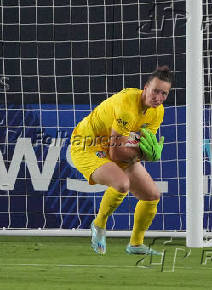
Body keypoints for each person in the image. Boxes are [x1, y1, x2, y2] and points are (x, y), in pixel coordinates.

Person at [70, 66, 171, 255]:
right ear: (145, 88)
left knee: (152, 196)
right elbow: (116, 154)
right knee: (122, 184)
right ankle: (99, 225)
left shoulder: (157, 112)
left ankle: (135, 244)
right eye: (155, 91)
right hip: (87, 144)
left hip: (113, 143)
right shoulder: (127, 107)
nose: (158, 97)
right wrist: (144, 155)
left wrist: (146, 152)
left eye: (164, 93)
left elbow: (141, 143)